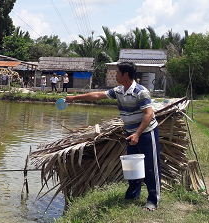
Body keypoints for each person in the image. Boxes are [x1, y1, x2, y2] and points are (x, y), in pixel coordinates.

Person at [64, 62, 161, 212]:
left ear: (125, 75)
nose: (115, 75)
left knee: (150, 167)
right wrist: (75, 98)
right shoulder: (119, 90)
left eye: (117, 73)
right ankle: (133, 195)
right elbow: (98, 95)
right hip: (131, 134)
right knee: (133, 165)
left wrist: (138, 134)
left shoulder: (141, 92)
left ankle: (153, 200)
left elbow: (149, 114)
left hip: (146, 133)